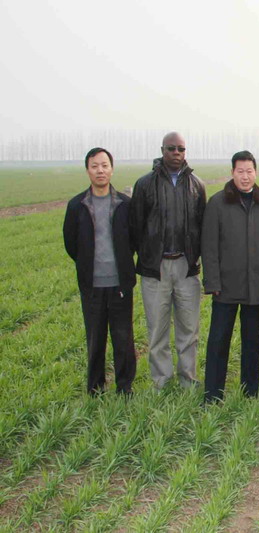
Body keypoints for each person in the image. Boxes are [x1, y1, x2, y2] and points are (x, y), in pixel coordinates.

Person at [130, 132, 206, 389]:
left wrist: (195, 258)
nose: (176, 153)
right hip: (156, 268)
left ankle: (188, 380)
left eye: (181, 149)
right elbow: (135, 227)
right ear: (162, 149)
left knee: (189, 330)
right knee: (157, 329)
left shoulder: (196, 185)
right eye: (171, 148)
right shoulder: (144, 185)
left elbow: (202, 226)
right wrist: (147, 256)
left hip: (186, 267)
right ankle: (161, 381)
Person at [201, 151, 259, 403]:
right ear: (232, 173)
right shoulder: (218, 203)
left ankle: (250, 391)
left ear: (256, 172)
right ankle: (213, 394)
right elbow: (209, 246)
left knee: (252, 342)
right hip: (225, 286)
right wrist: (212, 282)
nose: (245, 176)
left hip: (255, 286)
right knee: (219, 341)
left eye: (249, 171)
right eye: (240, 171)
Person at [63, 147, 136, 395]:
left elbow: (134, 239)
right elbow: (71, 243)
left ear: (112, 169)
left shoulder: (125, 204)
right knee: (95, 339)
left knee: (123, 338)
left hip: (120, 284)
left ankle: (125, 387)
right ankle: (95, 389)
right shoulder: (77, 205)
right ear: (87, 171)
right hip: (92, 285)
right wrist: (87, 263)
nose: (100, 170)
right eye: (94, 166)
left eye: (104, 165)